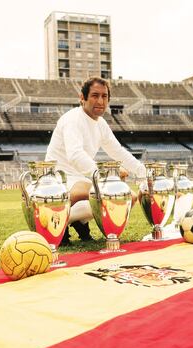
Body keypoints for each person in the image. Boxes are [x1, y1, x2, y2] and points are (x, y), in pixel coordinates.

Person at [45, 76, 146, 245]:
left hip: (82, 178)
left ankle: (75, 219)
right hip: (59, 179)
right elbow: (75, 155)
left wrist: (145, 173)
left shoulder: (101, 124)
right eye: (94, 95)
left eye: (104, 96)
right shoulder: (73, 119)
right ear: (82, 98)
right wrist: (104, 177)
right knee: (97, 192)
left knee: (130, 197)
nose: (100, 100)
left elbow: (119, 152)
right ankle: (55, 222)